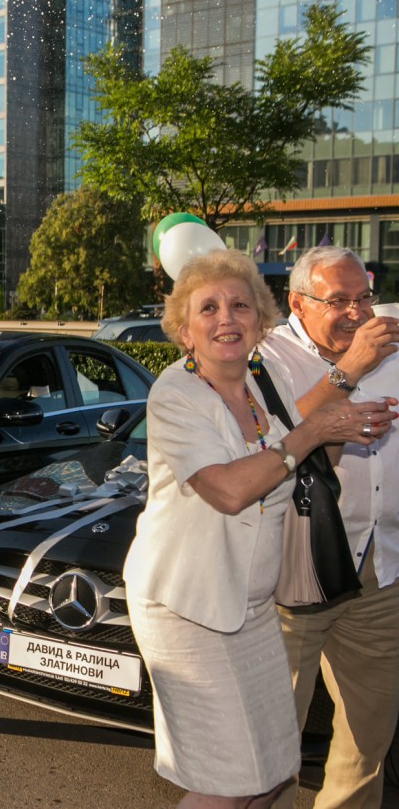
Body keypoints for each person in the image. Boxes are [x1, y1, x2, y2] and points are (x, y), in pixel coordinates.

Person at [123, 250, 392, 807]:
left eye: (241, 306)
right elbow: (229, 489)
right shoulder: (176, 394)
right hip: (189, 607)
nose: (227, 318)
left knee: (274, 773)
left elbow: (303, 462)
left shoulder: (259, 386)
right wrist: (314, 430)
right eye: (209, 308)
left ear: (261, 321)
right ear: (184, 331)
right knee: (227, 785)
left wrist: (341, 428)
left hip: (252, 606)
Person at [259, 246, 399, 808]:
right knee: (272, 743)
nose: (357, 312)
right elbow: (268, 443)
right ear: (298, 302)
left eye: (363, 297)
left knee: (369, 737)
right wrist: (351, 369)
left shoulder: (390, 344)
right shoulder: (264, 355)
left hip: (380, 570)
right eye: (338, 300)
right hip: (292, 573)